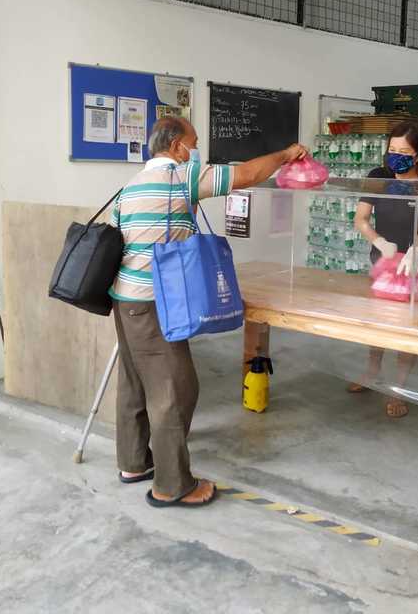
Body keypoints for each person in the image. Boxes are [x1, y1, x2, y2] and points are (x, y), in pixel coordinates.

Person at [109, 116, 308, 507]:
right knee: (174, 390)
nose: (196, 149)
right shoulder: (183, 177)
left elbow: (120, 240)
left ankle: (133, 462)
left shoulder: (127, 188)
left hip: (125, 300)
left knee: (134, 383)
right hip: (155, 303)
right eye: (193, 142)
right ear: (177, 146)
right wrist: (286, 154)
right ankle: (171, 485)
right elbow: (248, 174)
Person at [350, 122, 418, 418]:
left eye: (403, 152)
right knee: (377, 323)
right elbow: (361, 218)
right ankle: (371, 373)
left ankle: (399, 388)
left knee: (406, 327)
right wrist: (377, 240)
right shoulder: (378, 177)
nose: (396, 157)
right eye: (392, 150)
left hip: (416, 264)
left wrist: (416, 250)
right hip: (384, 261)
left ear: (417, 155)